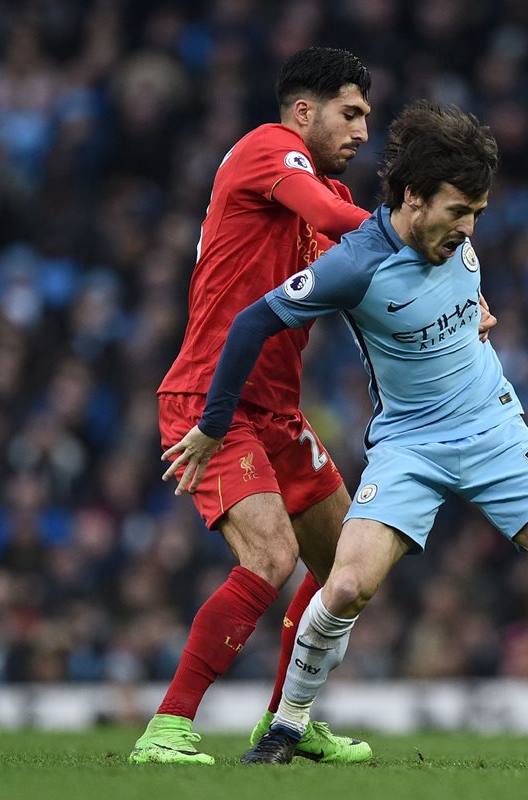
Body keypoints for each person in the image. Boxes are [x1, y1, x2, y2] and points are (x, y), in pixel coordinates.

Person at [162, 101, 528, 767]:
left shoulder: (457, 240)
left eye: (477, 215)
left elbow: (455, 298)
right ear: (412, 197)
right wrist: (213, 423)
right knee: (343, 587)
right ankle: (287, 726)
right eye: (458, 211)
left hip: (493, 426)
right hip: (410, 447)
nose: (468, 228)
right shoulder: (354, 265)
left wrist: (478, 313)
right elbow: (253, 322)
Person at [130, 46, 379, 766]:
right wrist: (417, 235)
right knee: (271, 557)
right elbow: (338, 216)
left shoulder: (310, 204)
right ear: (305, 112)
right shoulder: (270, 150)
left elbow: (357, 254)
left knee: (344, 568)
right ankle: (167, 728)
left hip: (276, 412)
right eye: (351, 113)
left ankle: (285, 721)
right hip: (213, 400)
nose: (363, 131)